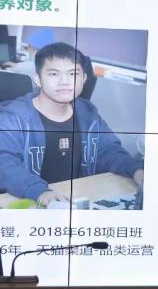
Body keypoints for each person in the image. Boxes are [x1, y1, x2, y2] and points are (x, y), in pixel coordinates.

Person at [0, 42, 144, 206]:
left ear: (84, 79)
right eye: (54, 74)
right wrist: (40, 192)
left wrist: (136, 169)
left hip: (76, 198)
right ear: (38, 79)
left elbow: (108, 151)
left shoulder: (87, 113)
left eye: (73, 74)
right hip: (29, 201)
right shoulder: (14, 118)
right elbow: (4, 164)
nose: (65, 82)